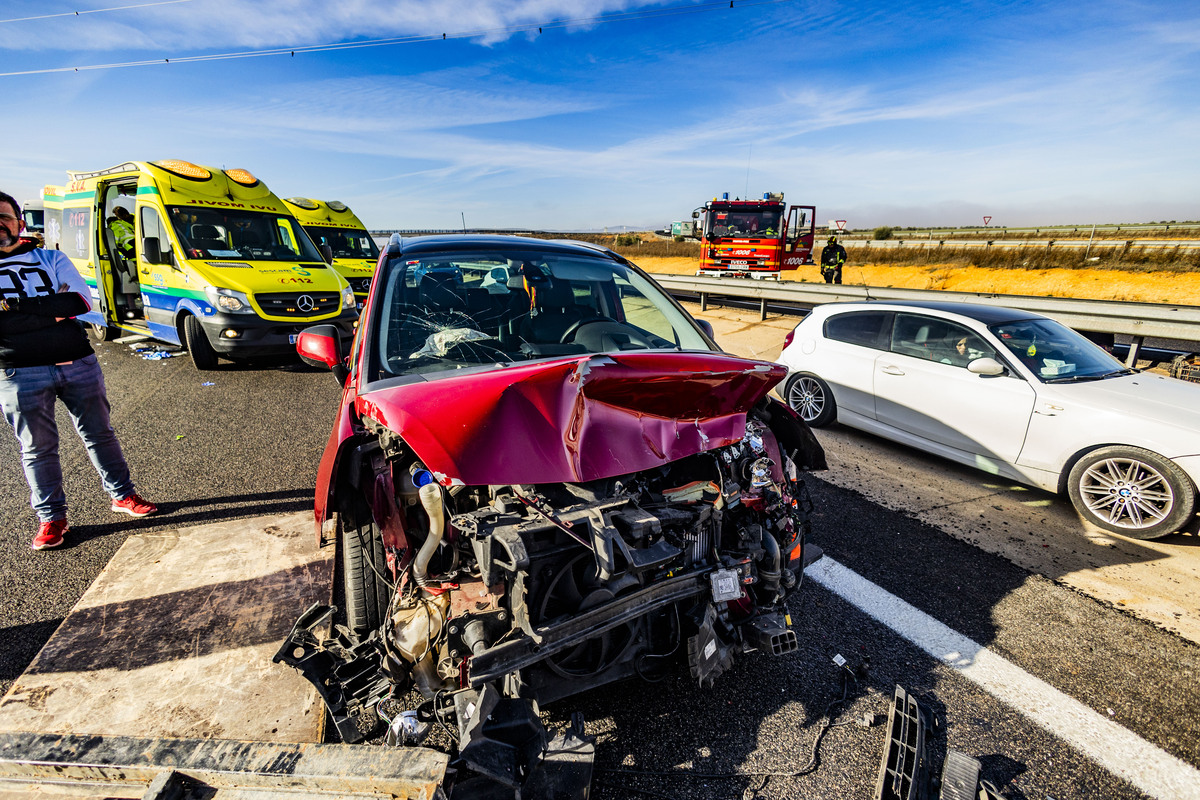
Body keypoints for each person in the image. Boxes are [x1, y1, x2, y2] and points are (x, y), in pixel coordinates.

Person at [0, 190, 158, 551]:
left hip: (78, 363)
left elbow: (79, 301)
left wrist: (11, 307)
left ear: (19, 223)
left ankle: (123, 496)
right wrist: (49, 312)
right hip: (18, 373)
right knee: (37, 449)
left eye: (5, 217)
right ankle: (52, 519)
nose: (0, 225)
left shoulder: (51, 257)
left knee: (100, 434)